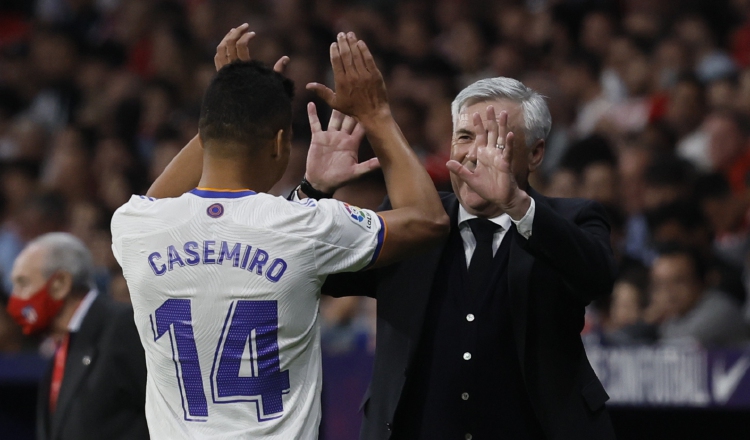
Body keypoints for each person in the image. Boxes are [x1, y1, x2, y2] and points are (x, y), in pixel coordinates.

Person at [111, 27, 448, 439]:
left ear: (208, 131)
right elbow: (428, 220)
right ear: (279, 143)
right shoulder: (306, 226)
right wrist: (376, 114)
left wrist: (229, 98)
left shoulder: (134, 226)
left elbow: (158, 201)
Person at [322, 77, 617, 439]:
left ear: (536, 153)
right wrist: (314, 189)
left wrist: (517, 205)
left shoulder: (572, 220)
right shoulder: (408, 219)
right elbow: (319, 271)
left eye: (496, 140)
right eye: (464, 137)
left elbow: (598, 277)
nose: (476, 153)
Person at [6, 232, 148, 440]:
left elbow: (168, 415)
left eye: (23, 283)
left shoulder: (122, 327)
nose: (15, 298)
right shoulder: (63, 345)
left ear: (60, 283)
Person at [649, 244, 749, 346]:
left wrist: (647, 326)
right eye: (660, 284)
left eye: (678, 282)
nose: (668, 293)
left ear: (702, 281)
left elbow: (683, 345)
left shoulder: (719, 312)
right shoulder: (673, 317)